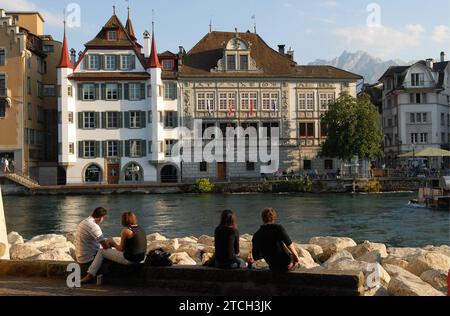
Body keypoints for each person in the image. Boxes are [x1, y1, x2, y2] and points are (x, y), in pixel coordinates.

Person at [81, 211, 147, 284]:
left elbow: (121, 249)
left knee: (102, 251)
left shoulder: (126, 231)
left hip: (130, 260)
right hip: (141, 259)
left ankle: (89, 275)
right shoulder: (140, 229)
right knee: (109, 251)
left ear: (124, 220)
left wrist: (113, 243)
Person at [251, 208, 301, 272]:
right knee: (297, 263)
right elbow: (289, 243)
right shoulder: (278, 228)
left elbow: (256, 256)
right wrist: (296, 257)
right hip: (285, 264)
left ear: (262, 219)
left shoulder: (256, 235)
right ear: (274, 218)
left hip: (272, 266)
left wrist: (266, 250)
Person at [75, 207, 111, 273]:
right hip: (88, 260)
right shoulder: (94, 226)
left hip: (81, 258)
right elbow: (105, 247)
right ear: (101, 217)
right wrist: (112, 243)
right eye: (103, 218)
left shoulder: (84, 221)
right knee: (111, 255)